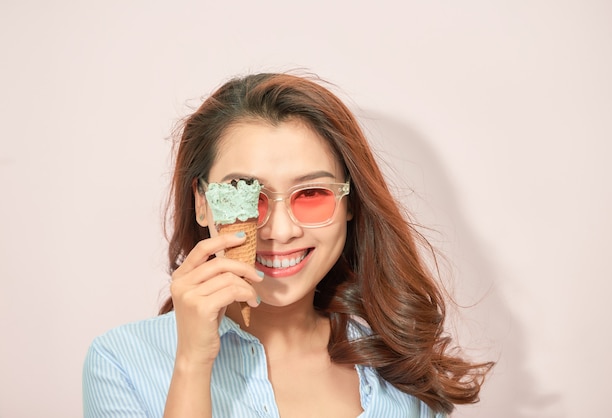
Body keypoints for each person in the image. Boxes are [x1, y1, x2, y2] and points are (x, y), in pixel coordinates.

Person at [83, 72, 493, 417]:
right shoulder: (122, 363)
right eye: (245, 193)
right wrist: (192, 363)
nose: (280, 231)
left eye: (312, 194)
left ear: (351, 205)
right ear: (203, 203)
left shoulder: (400, 375)